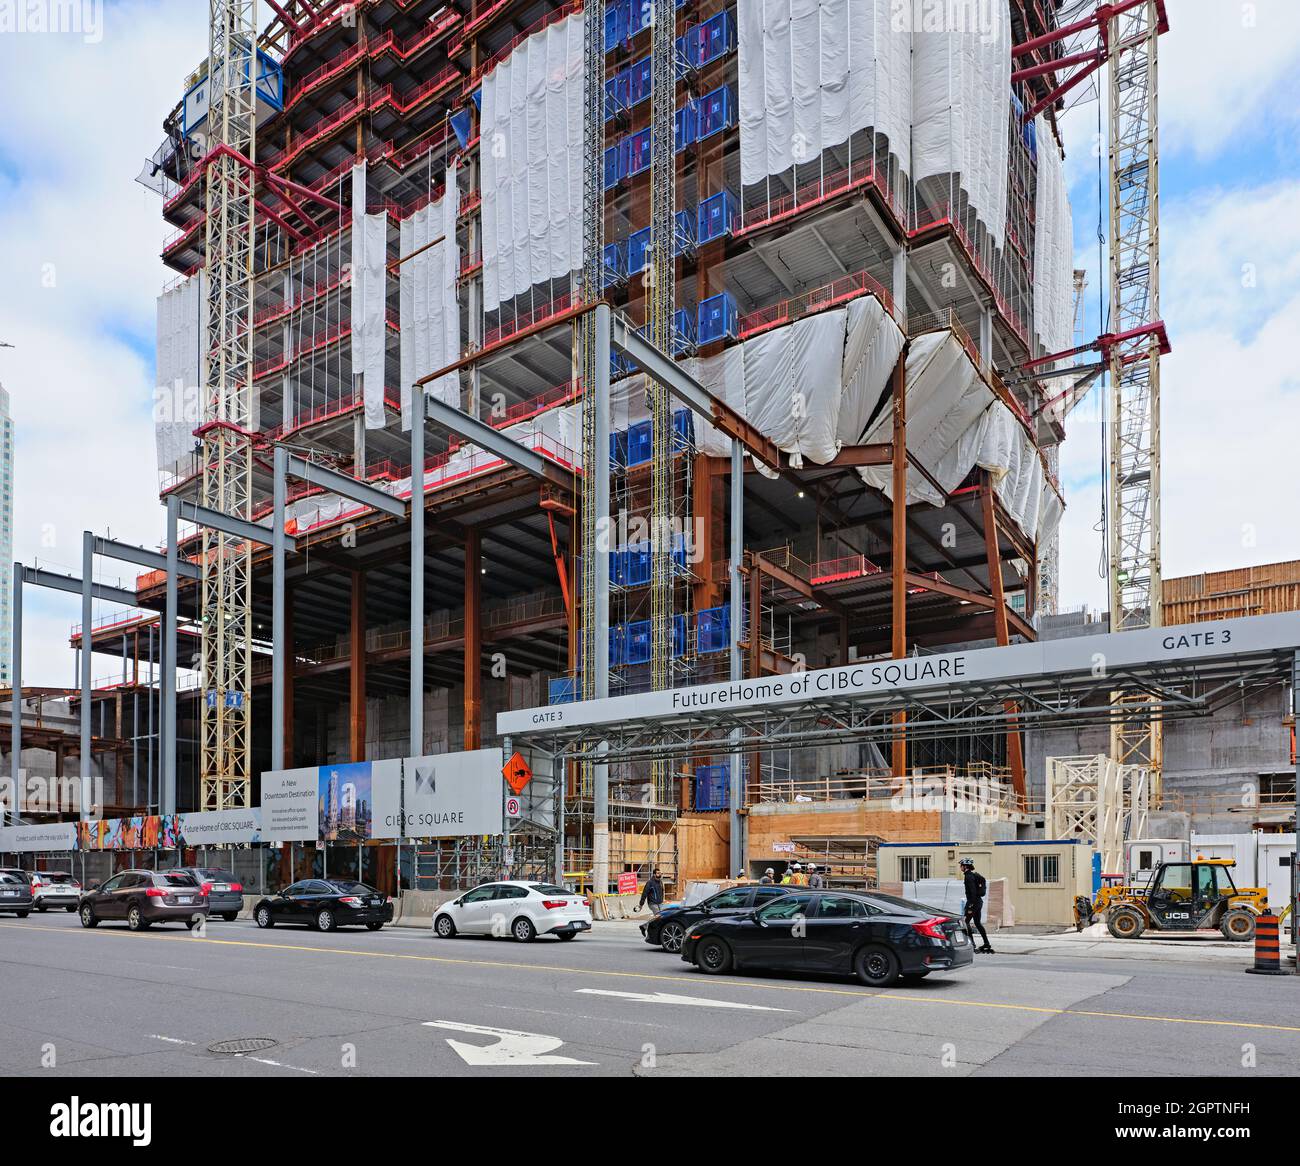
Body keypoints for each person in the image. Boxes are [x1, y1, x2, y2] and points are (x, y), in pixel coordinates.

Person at [960, 858, 993, 953]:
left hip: (973, 902)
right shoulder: (972, 875)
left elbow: (973, 891)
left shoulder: (968, 877)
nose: (960, 867)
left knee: (965, 922)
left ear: (965, 866)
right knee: (977, 923)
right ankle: (986, 943)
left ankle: (972, 944)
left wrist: (970, 905)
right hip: (978, 902)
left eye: (961, 865)